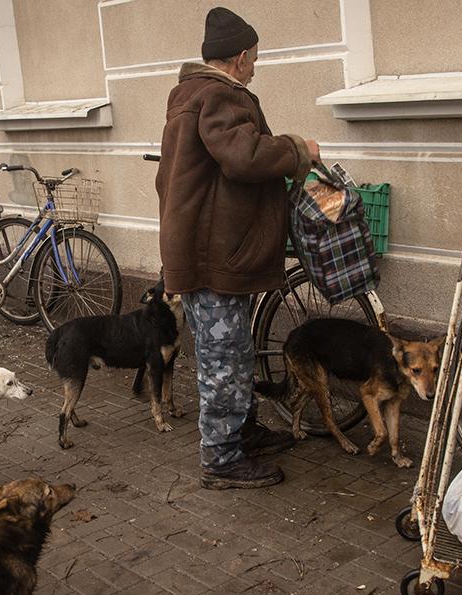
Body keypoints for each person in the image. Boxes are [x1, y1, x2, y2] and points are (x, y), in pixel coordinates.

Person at [156, 7, 321, 490]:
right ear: (242, 55)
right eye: (255, 58)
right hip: (213, 256)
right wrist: (298, 149)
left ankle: (240, 432)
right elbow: (244, 155)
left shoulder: (196, 96)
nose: (256, 66)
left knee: (232, 350)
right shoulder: (218, 96)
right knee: (222, 357)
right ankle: (221, 459)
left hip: (212, 249)